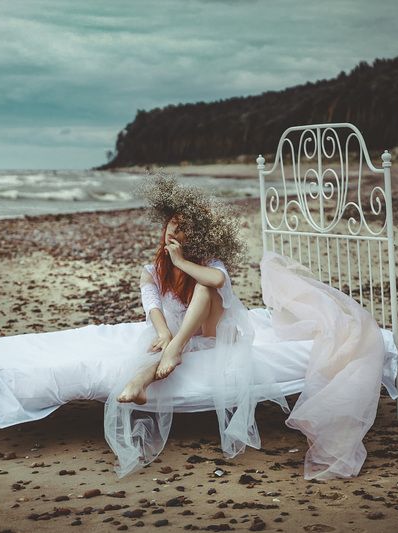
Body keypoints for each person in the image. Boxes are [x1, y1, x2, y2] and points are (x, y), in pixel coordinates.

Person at [104, 173, 289, 477]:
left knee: (204, 289)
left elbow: (217, 281)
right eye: (171, 225)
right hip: (181, 333)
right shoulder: (152, 270)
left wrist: (180, 263)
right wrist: (164, 332)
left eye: (182, 228)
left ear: (197, 236)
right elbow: (151, 304)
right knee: (164, 346)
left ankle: (173, 349)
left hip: (216, 331)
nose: (172, 232)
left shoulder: (209, 263)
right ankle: (139, 382)